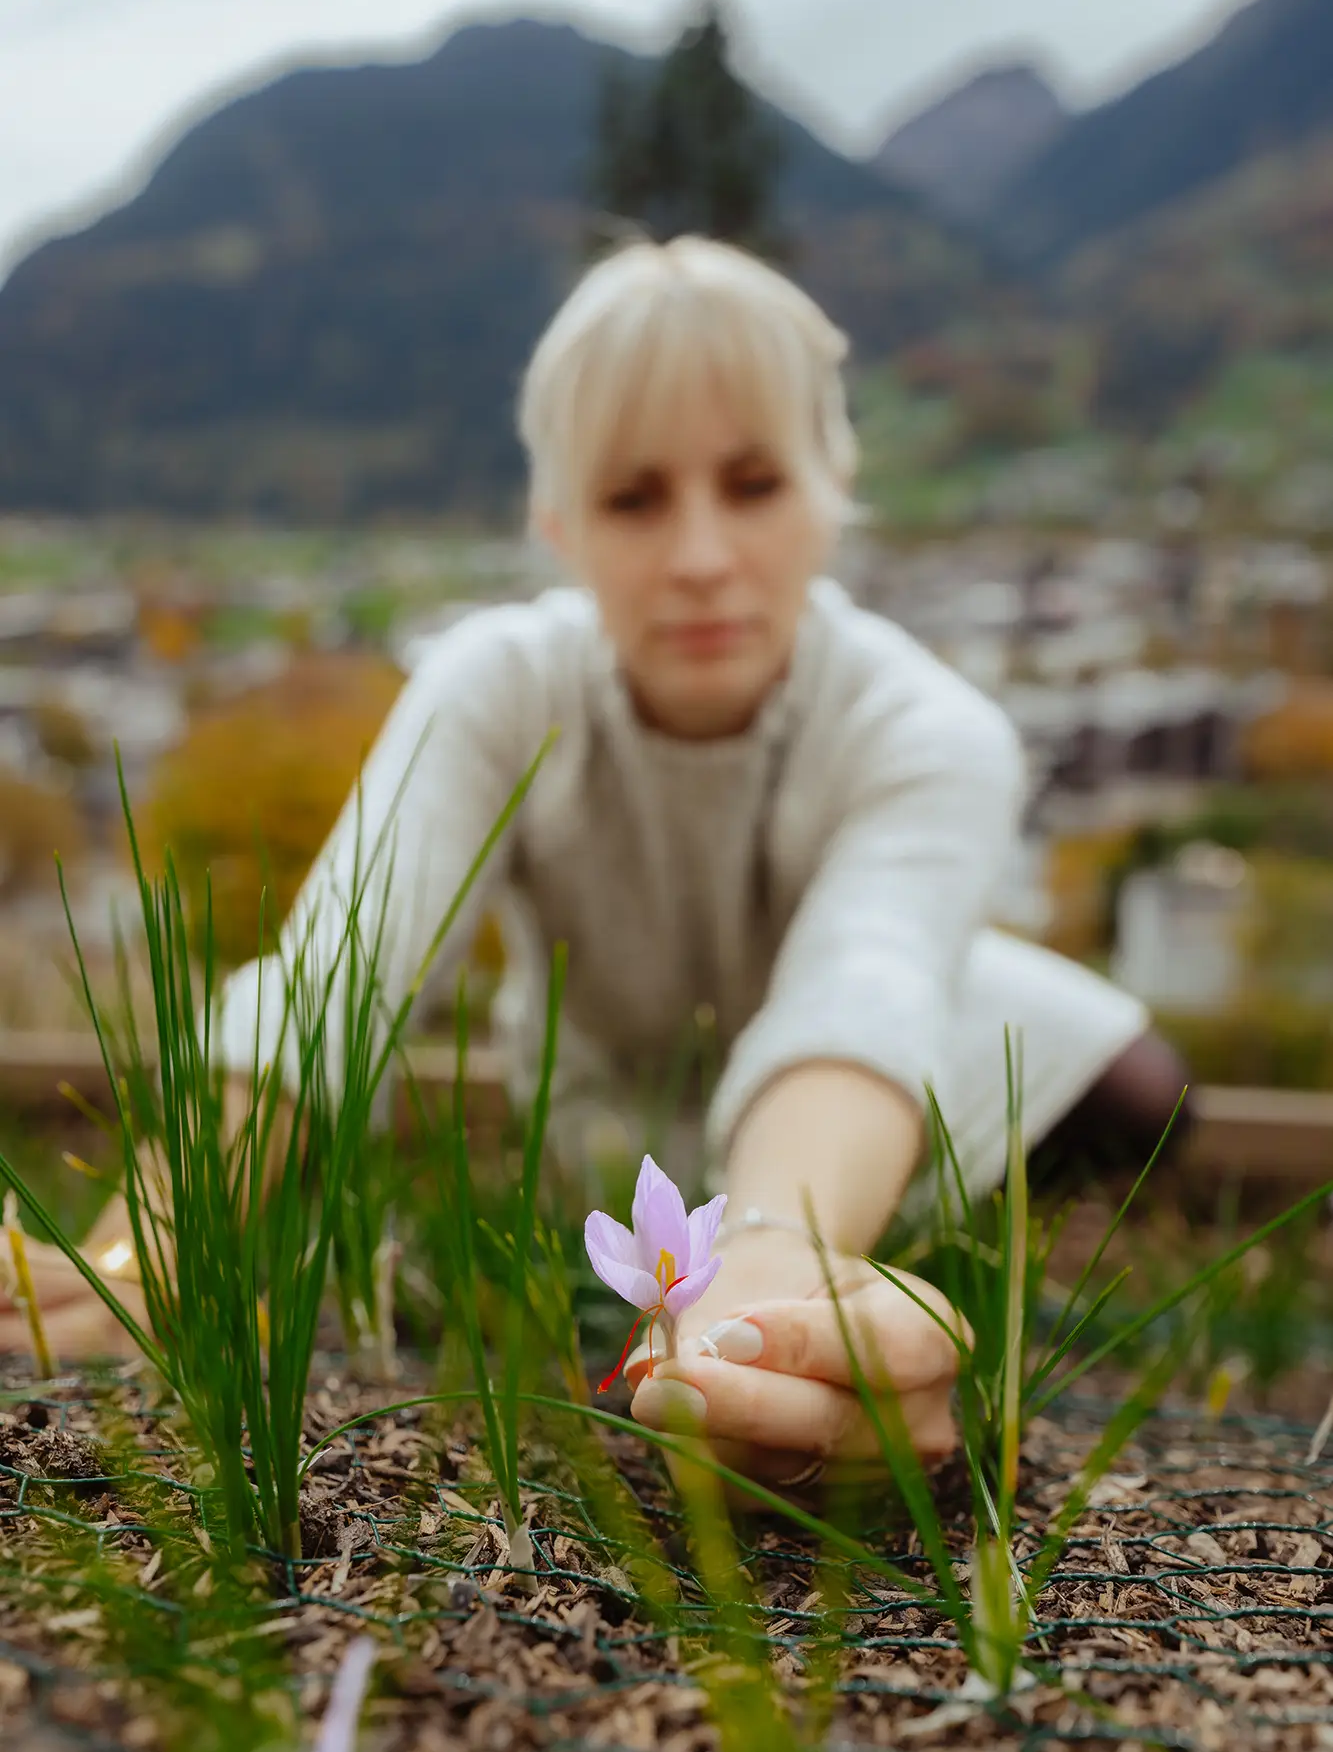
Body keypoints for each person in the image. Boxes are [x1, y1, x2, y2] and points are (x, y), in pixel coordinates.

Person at [0, 237, 1190, 1494]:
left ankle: (948, 1220)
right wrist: (155, 1242)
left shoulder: (930, 729)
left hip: (871, 1087)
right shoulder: (499, 685)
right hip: (619, 1106)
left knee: (1137, 1085)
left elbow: (866, 988)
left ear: (832, 482)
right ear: (556, 523)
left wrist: (777, 1250)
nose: (698, 556)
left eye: (751, 484)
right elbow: (337, 981)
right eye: (634, 499)